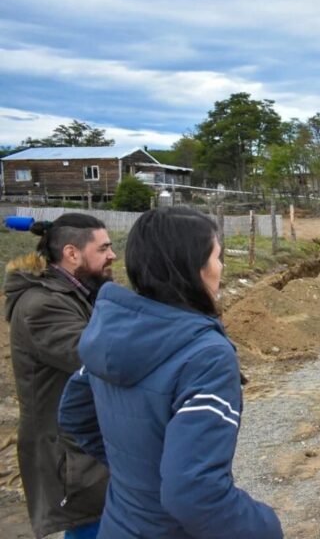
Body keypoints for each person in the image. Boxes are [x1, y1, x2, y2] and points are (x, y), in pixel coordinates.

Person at [58, 207, 283, 539]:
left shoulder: (108, 332)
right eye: (218, 257)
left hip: (119, 524)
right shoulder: (205, 355)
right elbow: (194, 493)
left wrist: (137, 476)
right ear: (193, 269)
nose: (221, 268)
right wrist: (265, 526)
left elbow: (74, 414)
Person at [4, 213, 113, 539]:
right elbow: (102, 356)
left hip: (83, 448)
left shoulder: (78, 293)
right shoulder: (42, 306)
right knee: (92, 528)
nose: (113, 255)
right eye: (104, 248)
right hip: (69, 453)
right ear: (72, 253)